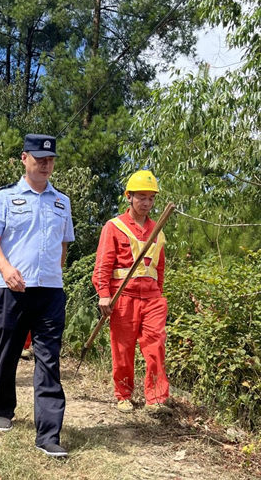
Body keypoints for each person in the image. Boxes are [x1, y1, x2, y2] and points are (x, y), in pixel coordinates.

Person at [0, 134, 75, 458]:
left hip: (50, 292)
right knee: (6, 352)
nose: (45, 164)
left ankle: (48, 435)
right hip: (13, 290)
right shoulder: (4, 197)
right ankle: (3, 409)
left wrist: (51, 274)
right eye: (39, 158)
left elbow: (63, 246)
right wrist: (5, 268)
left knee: (48, 360)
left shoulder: (62, 202)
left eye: (50, 159)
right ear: (24, 158)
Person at [92, 170, 170, 415]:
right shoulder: (114, 227)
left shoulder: (158, 230)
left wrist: (158, 293)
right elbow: (103, 265)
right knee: (122, 348)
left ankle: (156, 398)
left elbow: (159, 268)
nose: (146, 203)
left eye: (151, 198)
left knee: (156, 346)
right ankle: (123, 394)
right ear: (129, 196)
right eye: (141, 197)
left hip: (152, 298)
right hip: (122, 297)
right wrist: (104, 294)